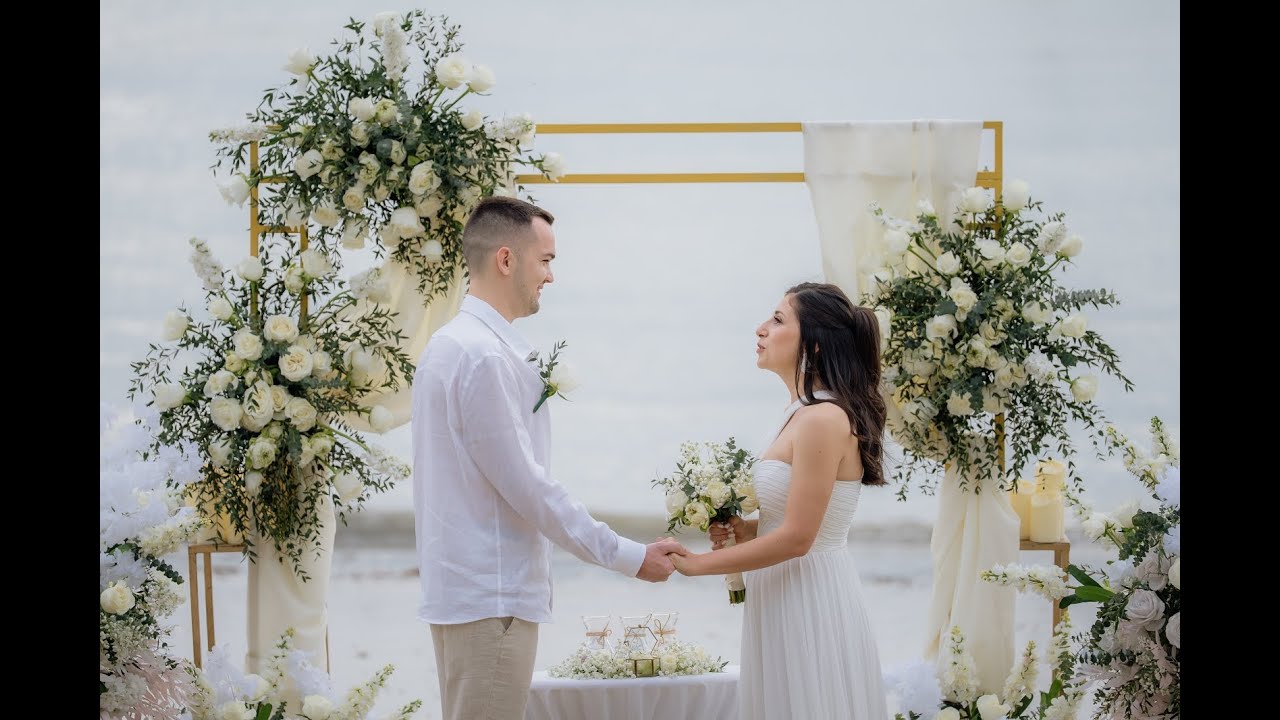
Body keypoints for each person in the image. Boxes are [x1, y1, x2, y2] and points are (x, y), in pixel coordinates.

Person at [412, 196, 687, 720]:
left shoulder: (450, 345)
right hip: (493, 596)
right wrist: (627, 556)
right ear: (506, 259)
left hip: (461, 590)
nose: (551, 276)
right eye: (545, 260)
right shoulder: (484, 357)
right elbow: (529, 488)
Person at [669, 281, 889, 719]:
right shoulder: (800, 414)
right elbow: (793, 521)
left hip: (810, 599)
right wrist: (746, 529)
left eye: (777, 319)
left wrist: (697, 565)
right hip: (782, 594)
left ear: (815, 344)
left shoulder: (823, 418)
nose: (761, 329)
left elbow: (799, 538)